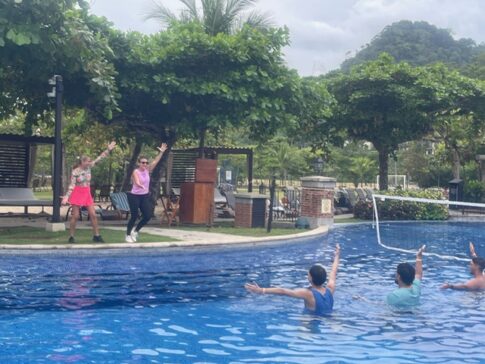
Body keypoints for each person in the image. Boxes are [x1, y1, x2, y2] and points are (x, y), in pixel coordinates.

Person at [245, 244, 340, 316]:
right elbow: (334, 271)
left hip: (312, 318)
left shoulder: (308, 293)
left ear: (310, 278)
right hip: (330, 316)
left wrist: (261, 290)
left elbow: (283, 291)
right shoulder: (330, 289)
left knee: (304, 325)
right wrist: (337, 256)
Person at [62, 141, 117, 243]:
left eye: (89, 161)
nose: (89, 163)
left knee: (93, 214)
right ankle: (71, 236)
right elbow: (72, 185)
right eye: (87, 161)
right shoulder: (75, 172)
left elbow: (100, 157)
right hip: (77, 192)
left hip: (86, 193)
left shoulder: (89, 167)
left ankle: (96, 235)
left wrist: (108, 149)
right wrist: (66, 197)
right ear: (82, 162)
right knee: (76, 216)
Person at [125, 143, 168, 243]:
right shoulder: (136, 171)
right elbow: (136, 181)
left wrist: (161, 152)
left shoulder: (147, 170)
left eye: (146, 163)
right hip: (134, 196)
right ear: (139, 163)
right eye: (143, 163)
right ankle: (127, 235)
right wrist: (140, 185)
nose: (145, 164)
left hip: (144, 196)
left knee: (148, 215)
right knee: (134, 216)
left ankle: (135, 231)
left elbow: (156, 161)